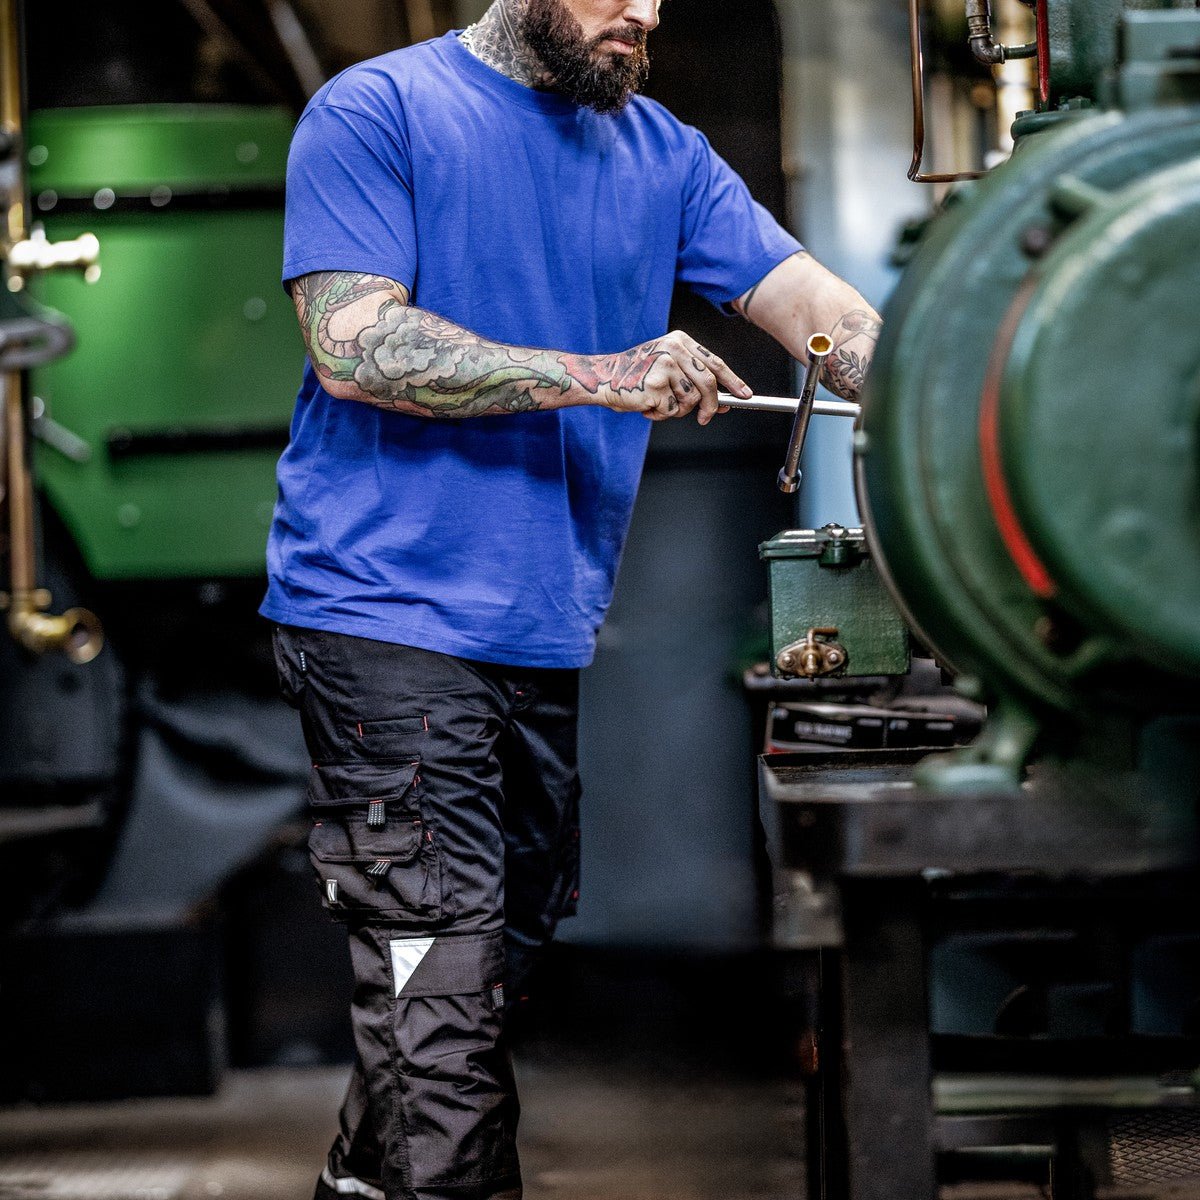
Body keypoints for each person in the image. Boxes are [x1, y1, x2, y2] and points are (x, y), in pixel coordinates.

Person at [263, 2, 881, 1197]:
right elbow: (355, 347)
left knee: (483, 965)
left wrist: (944, 386)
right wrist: (601, 374)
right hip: (385, 615)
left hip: (538, 626)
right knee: (443, 990)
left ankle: (364, 1180)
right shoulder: (380, 112)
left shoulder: (662, 154)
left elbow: (820, 314)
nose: (644, 10)